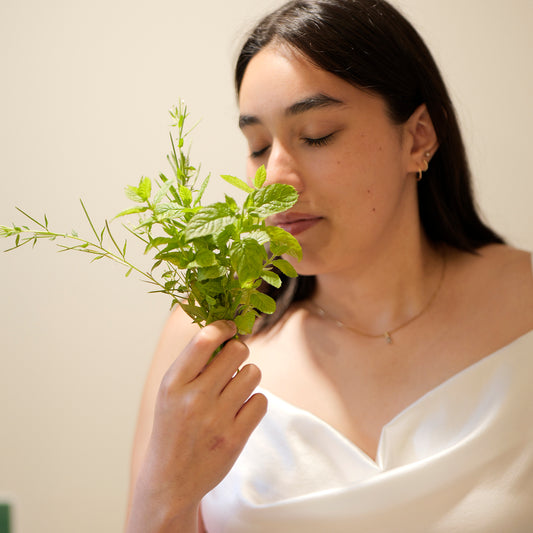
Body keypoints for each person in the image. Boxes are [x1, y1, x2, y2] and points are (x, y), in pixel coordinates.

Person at [124, 1, 533, 531]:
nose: (273, 180)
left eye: (316, 134)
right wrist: (166, 490)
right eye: (257, 146)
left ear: (418, 137)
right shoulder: (208, 337)